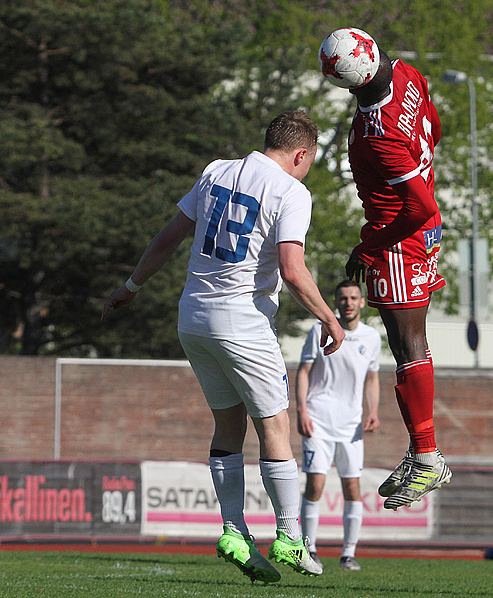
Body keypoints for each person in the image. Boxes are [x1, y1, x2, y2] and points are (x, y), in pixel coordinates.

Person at [101, 111, 343, 584]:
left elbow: (170, 237)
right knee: (274, 426)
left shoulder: (216, 171)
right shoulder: (291, 191)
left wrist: (130, 286)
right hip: (243, 322)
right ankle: (291, 538)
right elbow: (293, 269)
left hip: (193, 317)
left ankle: (234, 531)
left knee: (228, 423)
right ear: (301, 154)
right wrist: (329, 316)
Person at [319, 28, 450, 511]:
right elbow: (435, 126)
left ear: (349, 84)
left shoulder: (380, 134)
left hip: (399, 235)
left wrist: (370, 247)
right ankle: (425, 450)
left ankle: (427, 454)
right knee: (408, 343)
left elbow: (417, 206)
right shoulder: (407, 73)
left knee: (408, 344)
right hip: (421, 233)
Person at [296, 279, 381, 571]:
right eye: (343, 298)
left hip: (351, 426)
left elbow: (372, 377)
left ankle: (348, 554)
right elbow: (304, 371)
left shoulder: (372, 337)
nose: (348, 302)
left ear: (361, 302)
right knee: (315, 485)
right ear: (336, 302)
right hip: (318, 420)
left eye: (353, 297)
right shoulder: (318, 330)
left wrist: (374, 411)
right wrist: (302, 410)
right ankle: (310, 548)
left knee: (352, 488)